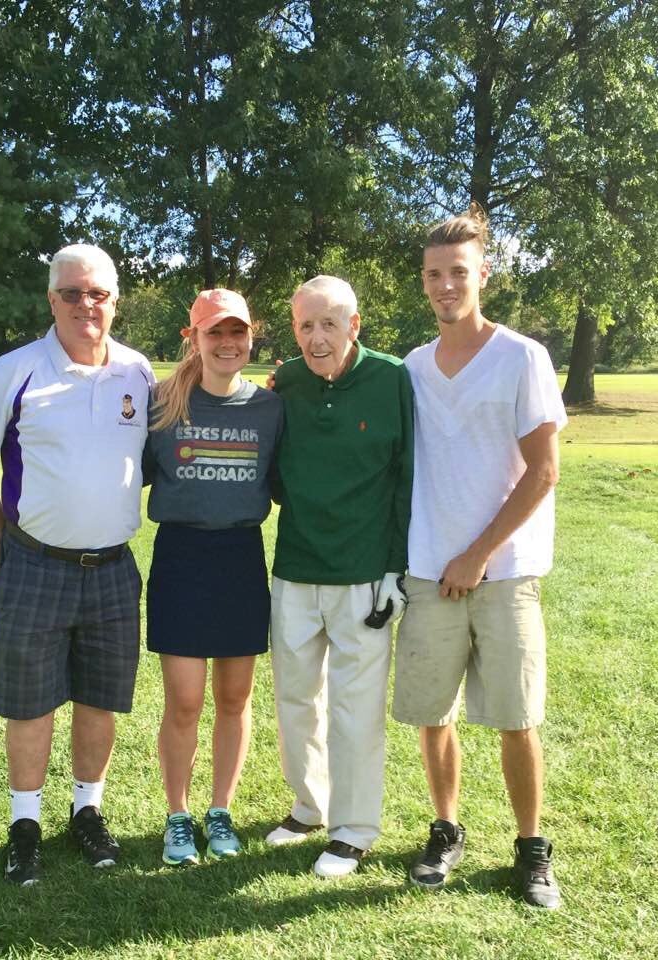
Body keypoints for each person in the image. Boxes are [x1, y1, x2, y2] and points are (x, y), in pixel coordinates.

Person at [0, 243, 154, 885]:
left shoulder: (138, 372)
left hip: (114, 568)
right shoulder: (17, 370)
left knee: (100, 697)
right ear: (51, 300)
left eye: (97, 293)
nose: (85, 305)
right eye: (72, 293)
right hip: (35, 565)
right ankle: (25, 824)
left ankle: (86, 814)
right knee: (30, 702)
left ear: (115, 301)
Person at [393, 206, 567, 909]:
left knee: (514, 716)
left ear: (482, 275)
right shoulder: (409, 367)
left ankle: (530, 850)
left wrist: (477, 553)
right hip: (429, 569)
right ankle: (445, 830)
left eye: (457, 273)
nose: (444, 286)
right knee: (433, 714)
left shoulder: (521, 356)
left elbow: (543, 471)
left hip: (504, 571)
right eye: (433, 275)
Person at [266, 275, 414, 878]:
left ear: (355, 325)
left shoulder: (391, 378)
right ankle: (309, 806)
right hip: (297, 566)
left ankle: (353, 830)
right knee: (296, 698)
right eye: (306, 325)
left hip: (363, 573)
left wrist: (393, 569)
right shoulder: (288, 382)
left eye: (330, 323)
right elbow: (274, 467)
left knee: (355, 707)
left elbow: (407, 477)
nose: (317, 337)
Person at [143, 288, 283, 866]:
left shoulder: (271, 408)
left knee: (234, 695)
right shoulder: (161, 404)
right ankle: (178, 815)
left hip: (239, 557)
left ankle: (219, 809)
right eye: (214, 333)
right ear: (193, 339)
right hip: (180, 557)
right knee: (183, 699)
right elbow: (119, 472)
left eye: (237, 332)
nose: (227, 343)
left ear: (252, 336)